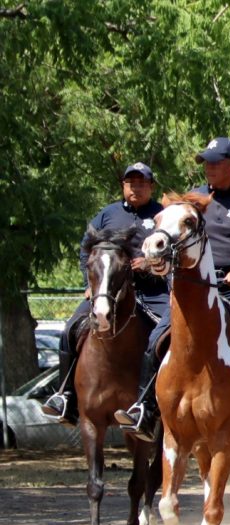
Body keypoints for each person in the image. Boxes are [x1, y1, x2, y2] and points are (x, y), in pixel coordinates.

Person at [114, 137, 230, 438]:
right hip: (198, 290)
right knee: (156, 339)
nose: (209, 168)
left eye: (216, 163)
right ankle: (144, 408)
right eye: (206, 163)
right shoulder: (191, 202)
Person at [41, 162, 169, 435]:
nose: (136, 187)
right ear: (123, 186)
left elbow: (172, 253)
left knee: (167, 336)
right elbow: (86, 251)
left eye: (142, 183)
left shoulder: (162, 215)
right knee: (70, 329)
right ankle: (66, 398)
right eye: (130, 182)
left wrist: (149, 266)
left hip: (152, 291)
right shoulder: (106, 214)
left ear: (151, 187)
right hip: (107, 292)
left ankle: (155, 403)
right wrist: (90, 284)